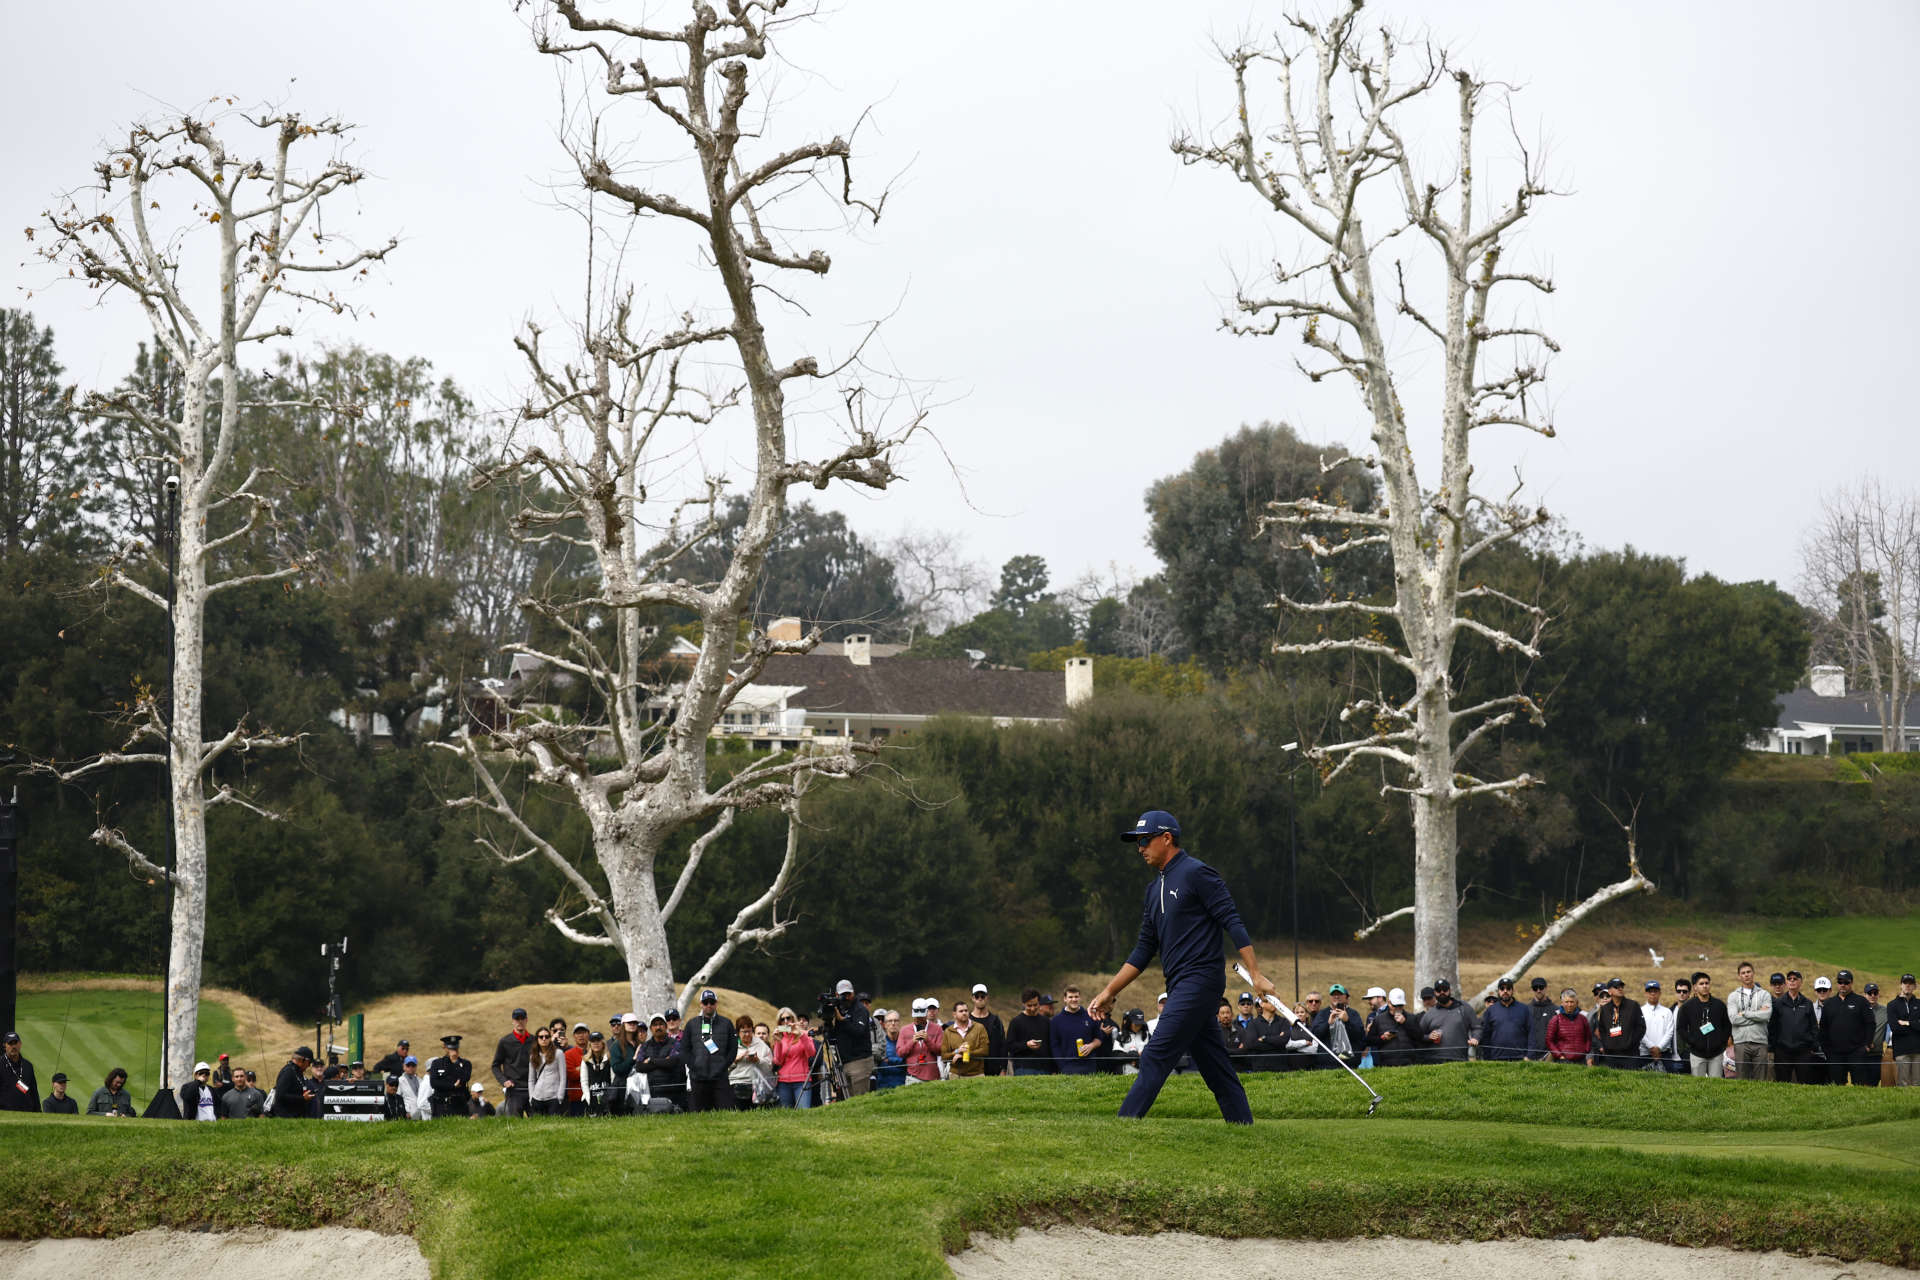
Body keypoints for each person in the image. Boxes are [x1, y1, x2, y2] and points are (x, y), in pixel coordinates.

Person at [1088, 809, 1273, 1124]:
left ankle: (1124, 1124)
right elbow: (1144, 949)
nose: (1139, 847)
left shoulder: (1197, 873)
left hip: (1200, 981)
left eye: (1144, 840)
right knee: (1216, 1067)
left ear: (1166, 838)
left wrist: (1255, 973)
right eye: (1137, 842)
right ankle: (1243, 1127)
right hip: (1180, 985)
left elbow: (1232, 921)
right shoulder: (1152, 890)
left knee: (1155, 1054)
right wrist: (1109, 990)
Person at [683, 989, 740, 1112]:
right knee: (699, 1117)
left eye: (712, 1002)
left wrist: (723, 1067)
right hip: (698, 1079)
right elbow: (685, 1049)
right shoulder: (691, 1024)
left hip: (720, 1078)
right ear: (701, 1004)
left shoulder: (727, 1023)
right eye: (705, 1002)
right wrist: (694, 1067)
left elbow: (733, 1049)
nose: (709, 1005)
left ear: (716, 1004)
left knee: (725, 1114)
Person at [1821, 969, 1878, 1087]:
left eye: (1846, 982)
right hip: (1835, 1053)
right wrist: (1826, 1049)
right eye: (1840, 982)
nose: (1843, 985)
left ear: (1851, 983)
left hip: (1856, 1052)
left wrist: (1866, 1045)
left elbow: (1870, 1024)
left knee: (1860, 1086)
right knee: (1836, 1087)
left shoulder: (1861, 1001)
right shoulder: (1829, 1003)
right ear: (1837, 984)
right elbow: (1823, 1027)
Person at [824, 980, 876, 1096]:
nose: (846, 997)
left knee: (860, 1100)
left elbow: (859, 1031)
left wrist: (842, 1020)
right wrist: (829, 1023)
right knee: (849, 1103)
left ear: (853, 993)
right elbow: (833, 1037)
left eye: (848, 994)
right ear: (837, 995)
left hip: (860, 1061)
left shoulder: (860, 1009)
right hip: (844, 1062)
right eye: (843, 995)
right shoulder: (839, 1009)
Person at [1675, 973, 1731, 1078]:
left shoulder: (1719, 1005)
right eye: (1701, 984)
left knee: (1716, 1085)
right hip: (1697, 1054)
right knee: (1698, 1085)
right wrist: (1692, 1042)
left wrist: (1721, 1042)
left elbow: (1727, 1026)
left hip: (1716, 1054)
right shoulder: (1687, 1007)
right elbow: (1681, 1028)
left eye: (1707, 983)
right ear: (1695, 987)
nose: (1705, 986)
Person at [1728, 961, 1773, 1081]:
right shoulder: (1733, 996)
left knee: (1761, 1080)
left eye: (1748, 972)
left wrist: (1745, 1013)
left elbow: (1766, 1015)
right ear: (1739, 976)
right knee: (1742, 1080)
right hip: (1741, 1042)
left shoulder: (1764, 994)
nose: (1746, 975)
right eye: (1743, 973)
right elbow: (1734, 1019)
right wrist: (1757, 1016)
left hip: (1760, 1042)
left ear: (1753, 973)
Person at [1048, 986, 1105, 1076]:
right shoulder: (1056, 1020)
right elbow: (1054, 1046)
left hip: (1089, 1066)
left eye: (1076, 997)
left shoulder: (1090, 1016)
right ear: (1065, 999)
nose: (1074, 999)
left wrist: (1091, 1046)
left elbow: (1099, 1039)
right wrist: (1062, 1065)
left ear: (1080, 998)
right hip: (1067, 1067)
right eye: (1070, 997)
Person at [1592, 979, 1646, 1068]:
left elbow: (1641, 1027)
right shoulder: (1605, 1009)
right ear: (1610, 991)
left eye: (1621, 986)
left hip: (1630, 1055)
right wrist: (1607, 1045)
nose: (1620, 989)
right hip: (1611, 1056)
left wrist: (1631, 1043)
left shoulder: (1633, 1005)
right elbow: (1602, 1030)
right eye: (1616, 987)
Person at [640, 1013, 688, 1111]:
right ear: (650, 1028)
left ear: (666, 1027)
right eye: (655, 1025)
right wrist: (663, 1061)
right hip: (652, 1092)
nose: (658, 1027)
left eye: (661, 1024)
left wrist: (651, 1060)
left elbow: (672, 1063)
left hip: (673, 1093)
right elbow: (639, 1066)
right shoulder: (645, 1046)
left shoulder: (675, 1044)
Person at [1419, 979, 1474, 1063]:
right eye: (1438, 990)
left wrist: (1475, 1038)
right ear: (1435, 993)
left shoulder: (1463, 1007)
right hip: (1435, 1060)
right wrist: (1429, 1037)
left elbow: (1477, 1027)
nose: (1442, 992)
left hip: (1459, 1058)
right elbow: (1418, 1036)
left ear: (1450, 990)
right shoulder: (1429, 1014)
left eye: (1444, 990)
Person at [1478, 977, 1532, 1063]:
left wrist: (1529, 1056)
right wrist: (1488, 1058)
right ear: (1498, 991)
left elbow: (1531, 1033)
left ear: (1512, 991)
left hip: (1520, 1059)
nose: (1505, 991)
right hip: (1496, 1059)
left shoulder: (1524, 1009)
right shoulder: (1491, 1011)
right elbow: (1486, 1036)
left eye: (1508, 988)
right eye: (1502, 988)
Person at [492, 1008, 532, 1119]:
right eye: (517, 1019)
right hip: (514, 1091)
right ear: (512, 1021)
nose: (520, 1021)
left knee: (537, 1122)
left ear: (526, 1020)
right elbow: (495, 1066)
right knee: (515, 1124)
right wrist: (504, 1081)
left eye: (522, 1019)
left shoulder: (534, 1040)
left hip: (532, 1089)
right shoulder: (505, 1042)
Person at [771, 1007, 814, 1108]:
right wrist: (778, 1042)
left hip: (802, 1080)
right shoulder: (781, 1036)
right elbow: (778, 1060)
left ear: (793, 1019)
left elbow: (811, 1053)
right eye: (782, 1019)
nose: (786, 1021)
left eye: (788, 1018)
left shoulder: (803, 1034)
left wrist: (801, 1036)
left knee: (803, 1112)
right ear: (780, 1023)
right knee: (787, 1115)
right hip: (783, 1081)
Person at [1006, 989, 1052, 1076]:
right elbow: (1009, 1046)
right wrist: (1026, 1045)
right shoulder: (1016, 1022)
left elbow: (1050, 1045)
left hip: (1044, 1068)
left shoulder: (1046, 1021)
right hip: (1023, 1068)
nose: (1033, 1008)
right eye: (1029, 1005)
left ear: (1039, 1003)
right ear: (1023, 1004)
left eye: (1035, 1005)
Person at [1367, 989, 1418, 1069]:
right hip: (1386, 1064)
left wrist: (1405, 1023)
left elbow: (1419, 1037)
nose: (1397, 1008)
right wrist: (1383, 1037)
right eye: (1395, 1005)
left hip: (1409, 1064)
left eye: (1400, 1005)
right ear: (1389, 1003)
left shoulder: (1412, 1018)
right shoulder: (1379, 1019)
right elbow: (1369, 1040)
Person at [732, 1017, 776, 1105]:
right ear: (738, 1032)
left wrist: (758, 1060)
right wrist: (736, 1060)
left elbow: (770, 1066)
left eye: (750, 1031)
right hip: (736, 1083)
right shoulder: (731, 1044)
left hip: (757, 1085)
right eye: (744, 1032)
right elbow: (724, 1066)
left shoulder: (761, 1045)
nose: (748, 1034)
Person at [898, 999, 943, 1083]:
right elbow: (900, 1053)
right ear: (912, 1013)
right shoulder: (904, 1030)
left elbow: (940, 1051)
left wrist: (927, 1040)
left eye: (921, 1017)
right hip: (912, 1077)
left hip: (932, 1076)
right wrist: (912, 1041)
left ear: (926, 1013)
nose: (918, 1019)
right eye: (916, 1017)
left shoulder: (937, 1028)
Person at [966, 985, 1008, 1076]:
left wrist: (1004, 1068)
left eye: (982, 996)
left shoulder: (996, 1021)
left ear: (987, 998)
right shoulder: (967, 1020)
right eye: (977, 996)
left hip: (994, 1070)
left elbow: (1003, 1045)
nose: (980, 999)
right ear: (973, 998)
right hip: (972, 1069)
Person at [427, 1035, 473, 1117]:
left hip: (460, 1105)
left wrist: (455, 1062)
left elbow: (464, 1078)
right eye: (451, 1048)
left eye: (455, 1048)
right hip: (441, 1105)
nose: (453, 1051)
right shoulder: (437, 1063)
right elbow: (434, 1083)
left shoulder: (465, 1064)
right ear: (445, 1047)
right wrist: (453, 1085)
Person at [1888, 974, 1920, 1087]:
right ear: (1901, 985)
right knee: (1903, 1084)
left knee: (1918, 1084)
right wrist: (1915, 1025)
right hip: (1901, 1050)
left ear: (1915, 986)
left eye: (1910, 983)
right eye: (1905, 983)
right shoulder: (1892, 1005)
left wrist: (1907, 1023)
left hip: (1918, 1050)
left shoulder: (1919, 1004)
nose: (1908, 986)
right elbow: (1895, 1028)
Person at [943, 1000, 988, 1077]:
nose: (964, 1013)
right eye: (961, 1011)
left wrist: (967, 1054)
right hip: (955, 1074)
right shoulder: (948, 1031)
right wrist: (957, 1051)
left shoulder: (979, 1027)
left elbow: (985, 1050)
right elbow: (944, 1056)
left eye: (966, 1011)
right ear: (954, 1014)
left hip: (977, 1074)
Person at [1545, 990, 1592, 1063]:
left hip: (1581, 1060)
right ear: (1562, 1003)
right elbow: (1549, 1040)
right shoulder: (1556, 1020)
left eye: (1572, 1002)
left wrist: (1586, 1051)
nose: (1569, 1005)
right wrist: (1559, 1056)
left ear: (1576, 1003)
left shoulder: (1583, 1019)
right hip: (1562, 1061)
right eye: (1567, 1002)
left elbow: (1588, 1038)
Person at [527, 1025, 565, 1116]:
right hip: (537, 1097)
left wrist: (560, 1096)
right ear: (537, 1039)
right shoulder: (533, 1056)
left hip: (553, 1097)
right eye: (541, 1037)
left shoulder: (558, 1053)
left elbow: (563, 1077)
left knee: (554, 1125)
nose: (544, 1039)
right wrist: (531, 1097)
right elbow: (531, 1080)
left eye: (547, 1036)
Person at [1640, 981, 1676, 1073]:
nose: (1653, 994)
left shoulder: (1667, 1011)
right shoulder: (1640, 1011)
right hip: (1645, 1054)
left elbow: (1670, 1032)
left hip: (1664, 1054)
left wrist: (1659, 1047)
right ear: (1646, 993)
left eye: (1655, 991)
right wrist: (1651, 1047)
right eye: (1650, 991)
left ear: (1660, 993)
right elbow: (1639, 1031)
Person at [272, 1046, 316, 1118]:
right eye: (309, 1063)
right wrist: (302, 1098)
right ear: (303, 1060)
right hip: (285, 1117)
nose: (309, 1066)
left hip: (296, 1116)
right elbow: (280, 1095)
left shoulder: (298, 1072)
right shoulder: (288, 1072)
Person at [579, 1030, 616, 1115]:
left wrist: (609, 1097)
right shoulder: (585, 1060)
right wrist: (588, 1099)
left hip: (607, 1098)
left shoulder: (609, 1059)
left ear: (603, 1043)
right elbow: (584, 1082)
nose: (596, 1043)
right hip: (591, 1098)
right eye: (593, 1041)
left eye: (598, 1040)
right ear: (590, 1044)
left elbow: (613, 1080)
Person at [0, 1031, 38, 1112]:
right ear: (5, 1046)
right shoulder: (1, 1064)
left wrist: (38, 1111)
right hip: (5, 1113)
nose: (14, 1046)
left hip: (27, 1112)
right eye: (10, 1043)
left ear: (20, 1044)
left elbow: (34, 1091)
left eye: (16, 1043)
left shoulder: (28, 1065)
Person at [563, 1023, 591, 1116]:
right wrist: (589, 1069)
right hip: (576, 1098)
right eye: (578, 1033)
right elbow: (571, 1074)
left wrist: (579, 1069)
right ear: (574, 1036)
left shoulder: (595, 1051)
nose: (581, 1035)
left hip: (593, 1095)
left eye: (583, 1032)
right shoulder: (568, 1054)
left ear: (588, 1034)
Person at [1525, 976, 1555, 1061]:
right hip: (1529, 1056)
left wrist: (1551, 1054)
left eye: (1541, 987)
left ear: (1546, 988)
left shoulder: (1555, 1010)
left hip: (1549, 1056)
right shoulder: (1526, 1009)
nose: (1538, 990)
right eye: (1535, 988)